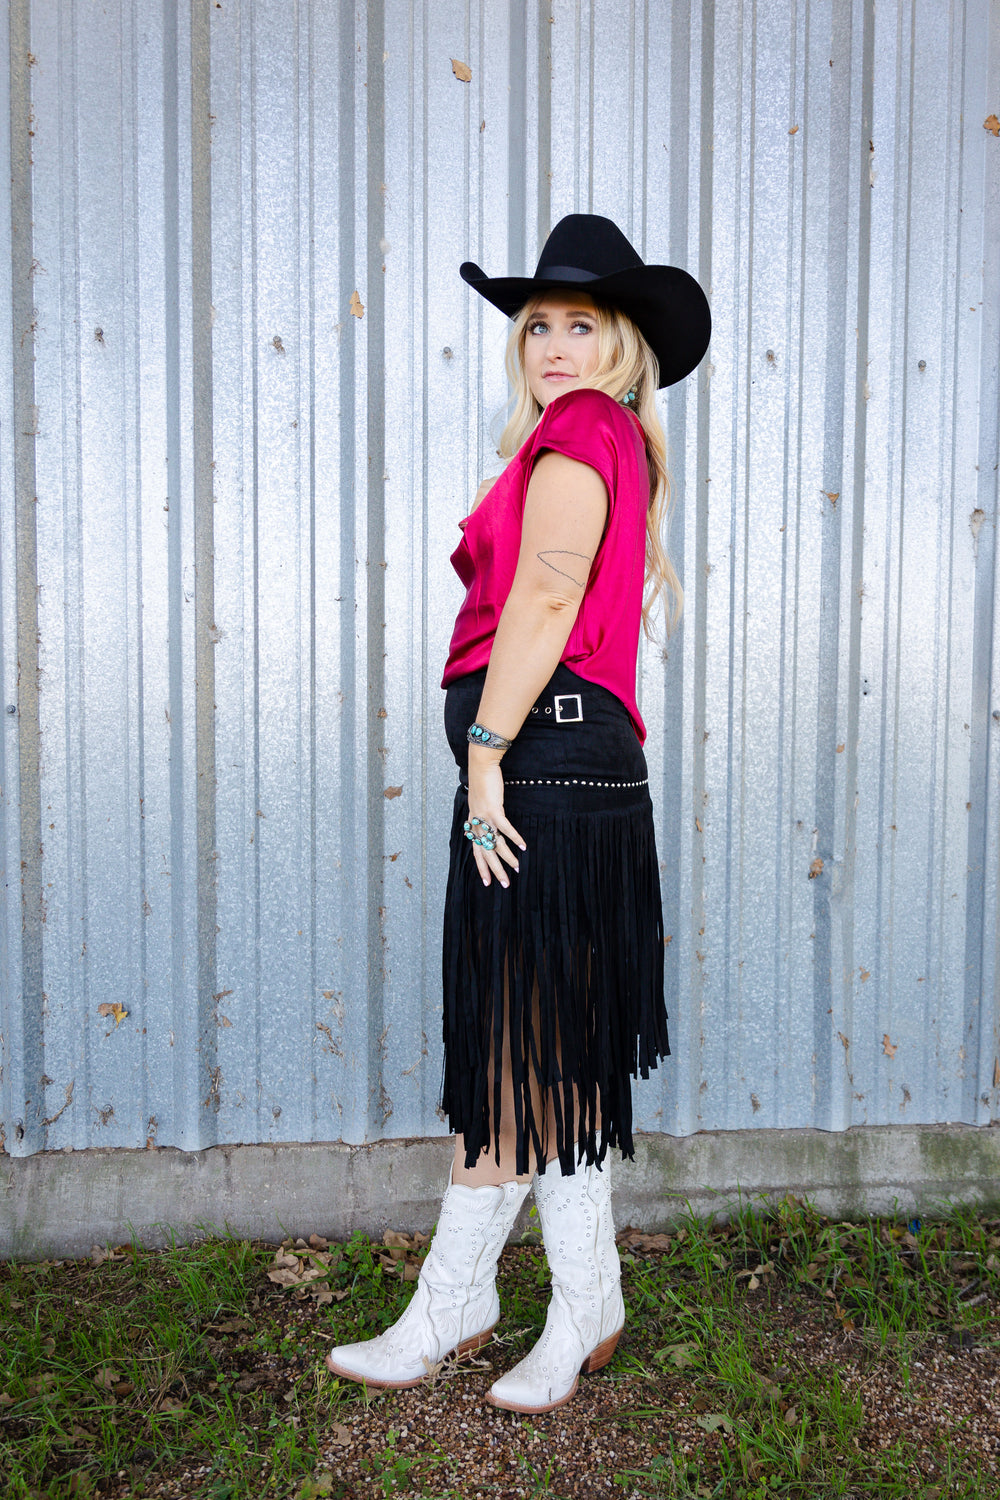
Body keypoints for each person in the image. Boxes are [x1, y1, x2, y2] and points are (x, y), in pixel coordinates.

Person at [326, 214, 711, 1413]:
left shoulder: (586, 427)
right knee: (520, 1044)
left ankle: (511, 1297)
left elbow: (544, 594)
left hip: (544, 765)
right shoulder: (588, 435)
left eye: (579, 324)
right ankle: (516, 1295)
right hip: (561, 765)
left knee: (532, 1044)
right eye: (535, 324)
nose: (550, 342)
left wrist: (484, 750)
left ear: (623, 342)